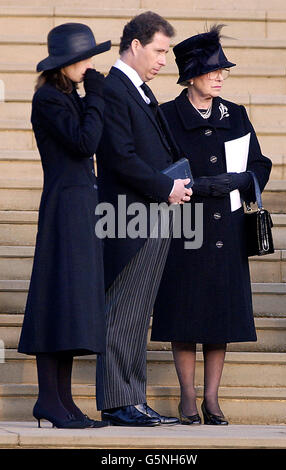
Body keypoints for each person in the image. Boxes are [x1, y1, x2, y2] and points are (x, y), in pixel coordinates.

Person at [151, 25, 272, 425]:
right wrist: (195, 186)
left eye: (224, 70)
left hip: (227, 231)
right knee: (185, 316)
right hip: (185, 228)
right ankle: (187, 399)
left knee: (220, 317)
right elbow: (155, 170)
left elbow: (259, 162)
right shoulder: (166, 115)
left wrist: (244, 180)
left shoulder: (235, 114)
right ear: (190, 76)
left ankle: (212, 400)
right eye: (213, 70)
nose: (221, 76)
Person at [95, 11, 192, 427]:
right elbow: (120, 158)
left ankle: (132, 398)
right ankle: (119, 403)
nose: (164, 60)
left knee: (136, 314)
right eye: (160, 50)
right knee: (122, 313)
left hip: (152, 215)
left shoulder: (137, 88)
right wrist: (165, 187)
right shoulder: (114, 88)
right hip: (129, 218)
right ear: (135, 45)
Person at [18, 23, 111, 428]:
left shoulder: (69, 96)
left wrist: (91, 98)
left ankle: (64, 401)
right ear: (66, 63)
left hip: (81, 204)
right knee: (57, 299)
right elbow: (83, 143)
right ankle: (49, 400)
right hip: (63, 207)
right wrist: (96, 98)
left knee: (72, 304)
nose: (90, 65)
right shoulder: (49, 100)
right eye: (84, 58)